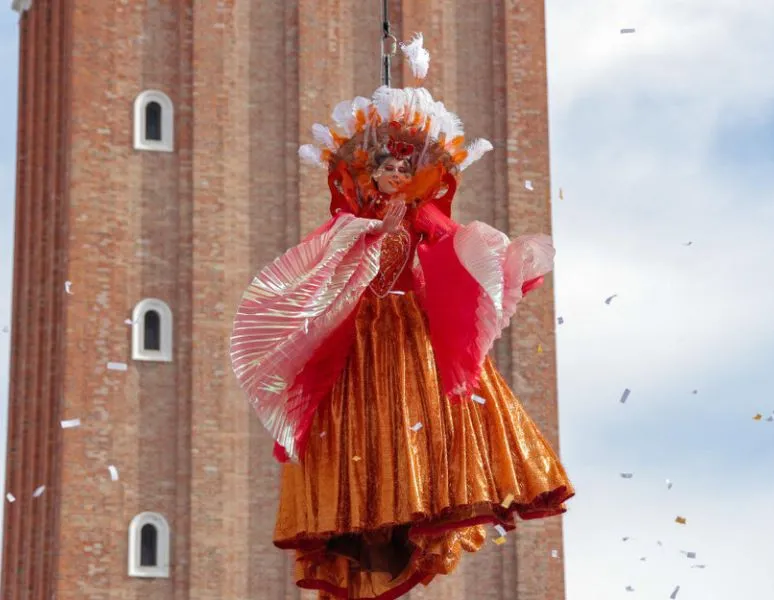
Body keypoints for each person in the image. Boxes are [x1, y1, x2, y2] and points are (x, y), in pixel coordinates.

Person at [231, 79, 574, 599]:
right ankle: (372, 511)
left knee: (427, 424)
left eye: (403, 169)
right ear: (367, 175)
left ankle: (421, 498)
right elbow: (316, 271)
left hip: (414, 338)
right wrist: (364, 235)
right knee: (365, 431)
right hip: (359, 343)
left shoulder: (424, 220)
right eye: (386, 168)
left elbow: (461, 252)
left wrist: (504, 261)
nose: (394, 175)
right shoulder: (347, 225)